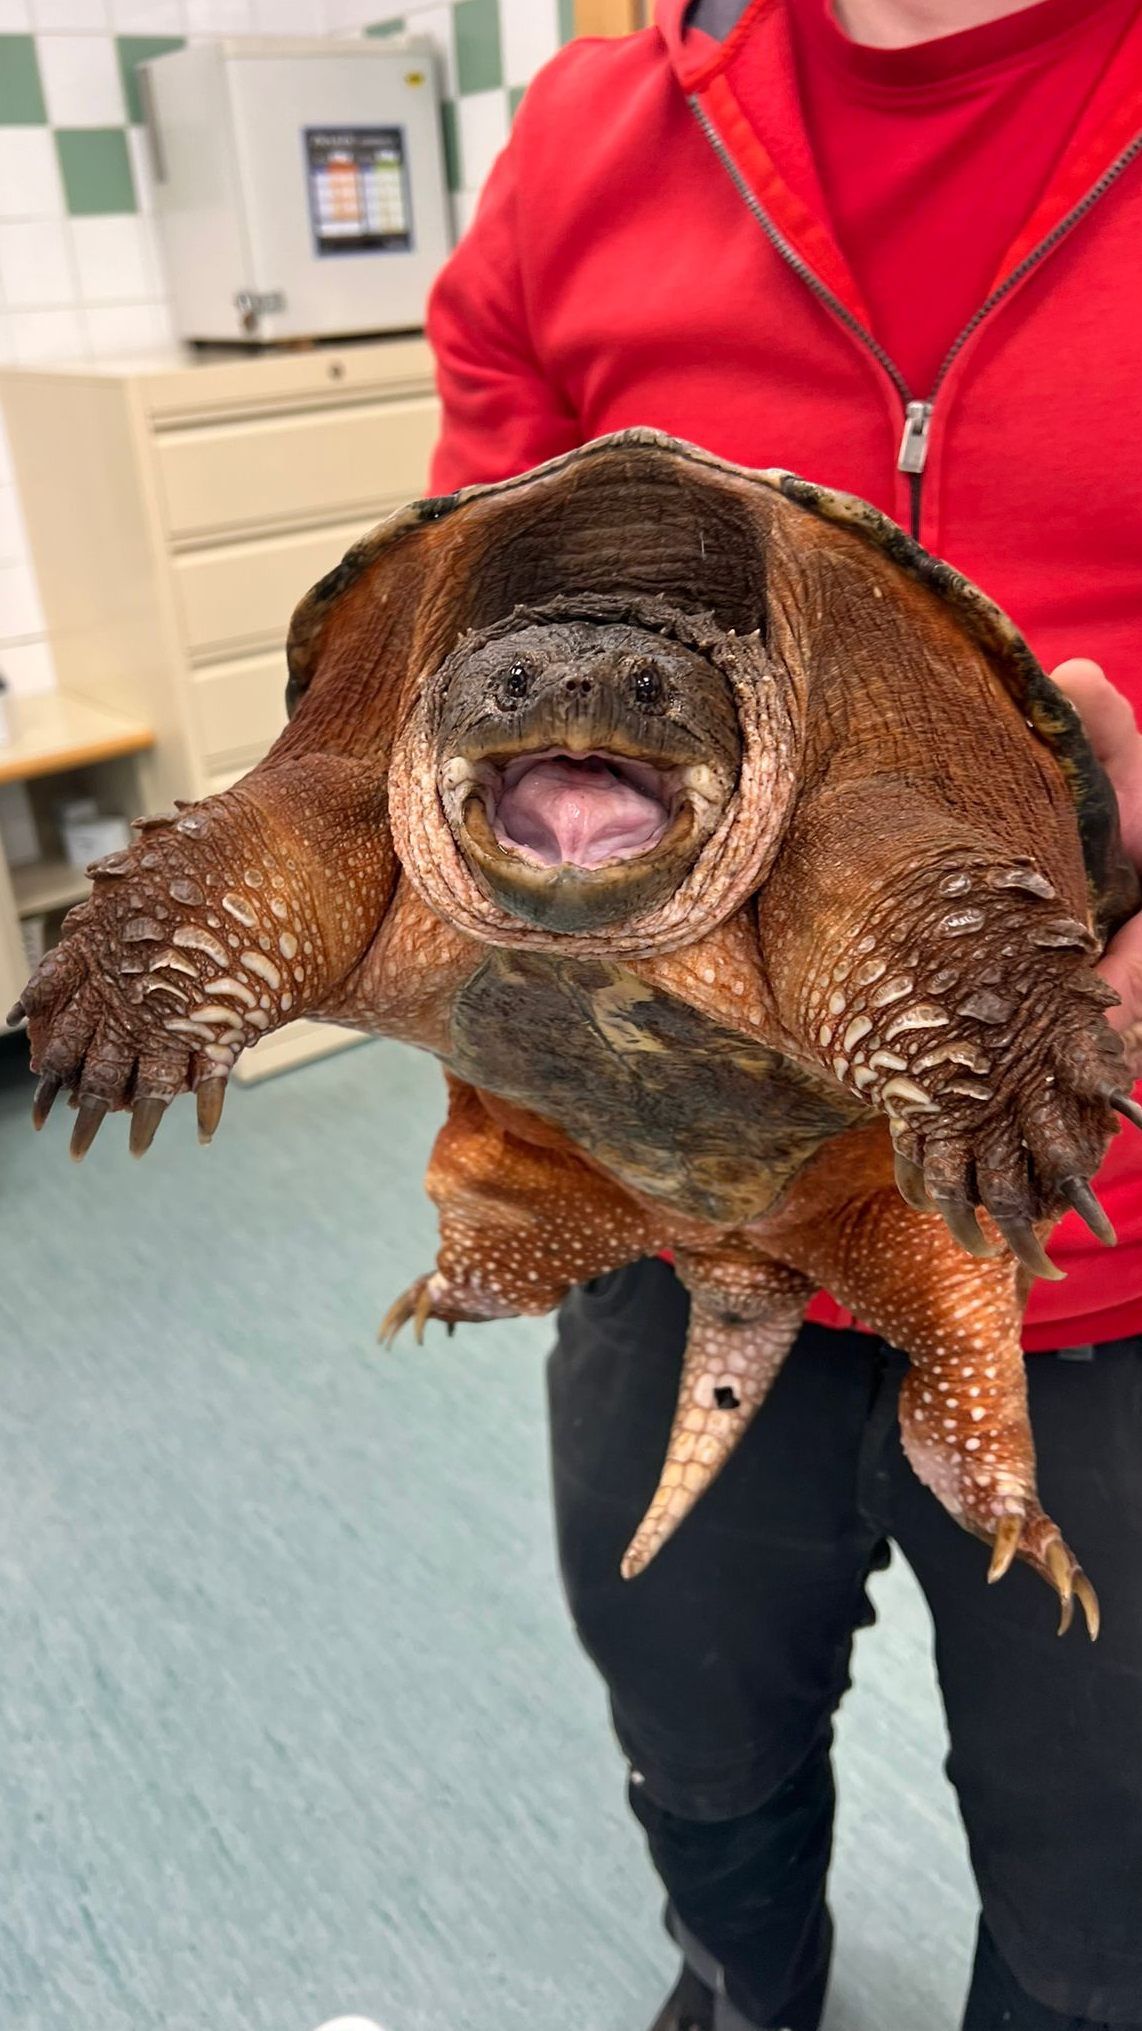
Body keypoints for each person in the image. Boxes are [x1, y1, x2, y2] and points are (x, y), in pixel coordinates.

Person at [424, 3, 1142, 2027]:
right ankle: (746, 1982)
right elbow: (450, 634)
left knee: (1100, 1874)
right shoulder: (595, 136)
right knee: (700, 1743)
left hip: (1094, 1240)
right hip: (669, 1192)